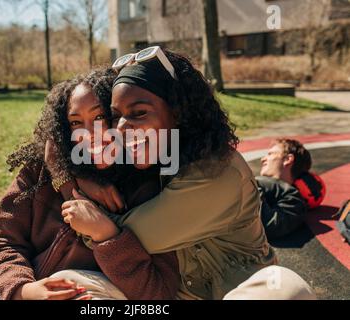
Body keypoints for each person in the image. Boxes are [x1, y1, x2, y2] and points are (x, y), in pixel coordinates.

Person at [55, 47, 316, 300]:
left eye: (139, 113)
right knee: (69, 284)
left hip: (241, 293)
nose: (121, 128)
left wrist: (69, 185)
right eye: (116, 115)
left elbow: (127, 235)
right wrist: (63, 162)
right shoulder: (159, 155)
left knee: (286, 287)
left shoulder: (218, 171)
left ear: (178, 113)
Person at [0, 69, 179, 300]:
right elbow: (3, 241)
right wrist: (24, 290)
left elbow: (158, 294)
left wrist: (107, 237)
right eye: (76, 122)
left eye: (100, 117)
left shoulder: (151, 187)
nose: (90, 134)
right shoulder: (40, 171)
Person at [257, 138, 312, 240]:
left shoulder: (292, 197)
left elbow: (269, 226)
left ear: (288, 159)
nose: (262, 159)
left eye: (270, 154)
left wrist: (251, 186)